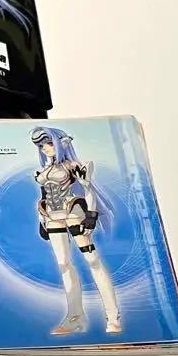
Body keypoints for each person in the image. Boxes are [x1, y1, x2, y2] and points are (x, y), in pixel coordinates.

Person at [31, 126, 121, 336]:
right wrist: (41, 220)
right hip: (51, 217)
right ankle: (75, 317)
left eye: (49, 143)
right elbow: (44, 196)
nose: (45, 148)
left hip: (73, 213)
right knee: (63, 264)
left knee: (92, 260)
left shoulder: (75, 166)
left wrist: (91, 216)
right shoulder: (43, 170)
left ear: (61, 143)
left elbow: (88, 190)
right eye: (41, 145)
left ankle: (113, 316)